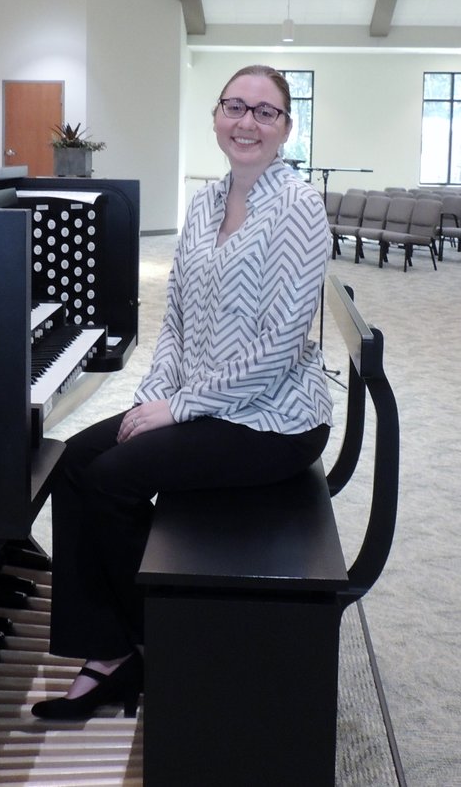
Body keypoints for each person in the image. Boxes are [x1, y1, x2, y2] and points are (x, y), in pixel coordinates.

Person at [31, 64, 334, 721]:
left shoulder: (300, 209)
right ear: (217, 116)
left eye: (265, 112)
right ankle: (108, 652)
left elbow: (281, 344)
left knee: (112, 480)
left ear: (287, 127)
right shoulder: (203, 201)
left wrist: (180, 409)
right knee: (74, 461)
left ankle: (161, 644)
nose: (247, 122)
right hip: (200, 400)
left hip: (273, 419)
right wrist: (155, 394)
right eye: (235, 106)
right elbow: (177, 318)